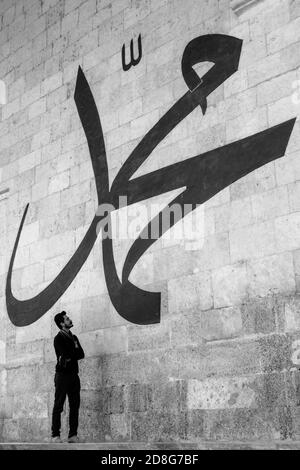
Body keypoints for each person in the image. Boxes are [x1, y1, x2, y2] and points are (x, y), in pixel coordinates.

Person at [51, 311, 85, 443]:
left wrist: (71, 354)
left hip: (73, 376)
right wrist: (72, 353)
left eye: (69, 318)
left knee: (75, 405)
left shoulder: (74, 337)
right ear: (61, 323)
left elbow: (81, 354)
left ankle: (72, 435)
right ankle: (55, 435)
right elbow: (65, 354)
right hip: (62, 376)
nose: (70, 320)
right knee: (58, 405)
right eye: (67, 319)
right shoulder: (58, 338)